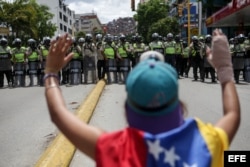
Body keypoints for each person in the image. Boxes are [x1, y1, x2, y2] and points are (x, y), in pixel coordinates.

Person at [44, 30, 240, 166]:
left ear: (127, 109)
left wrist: (51, 72)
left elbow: (59, 114)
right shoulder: (206, 144)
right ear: (180, 105)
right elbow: (232, 114)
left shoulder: (116, 150)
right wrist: (224, 69)